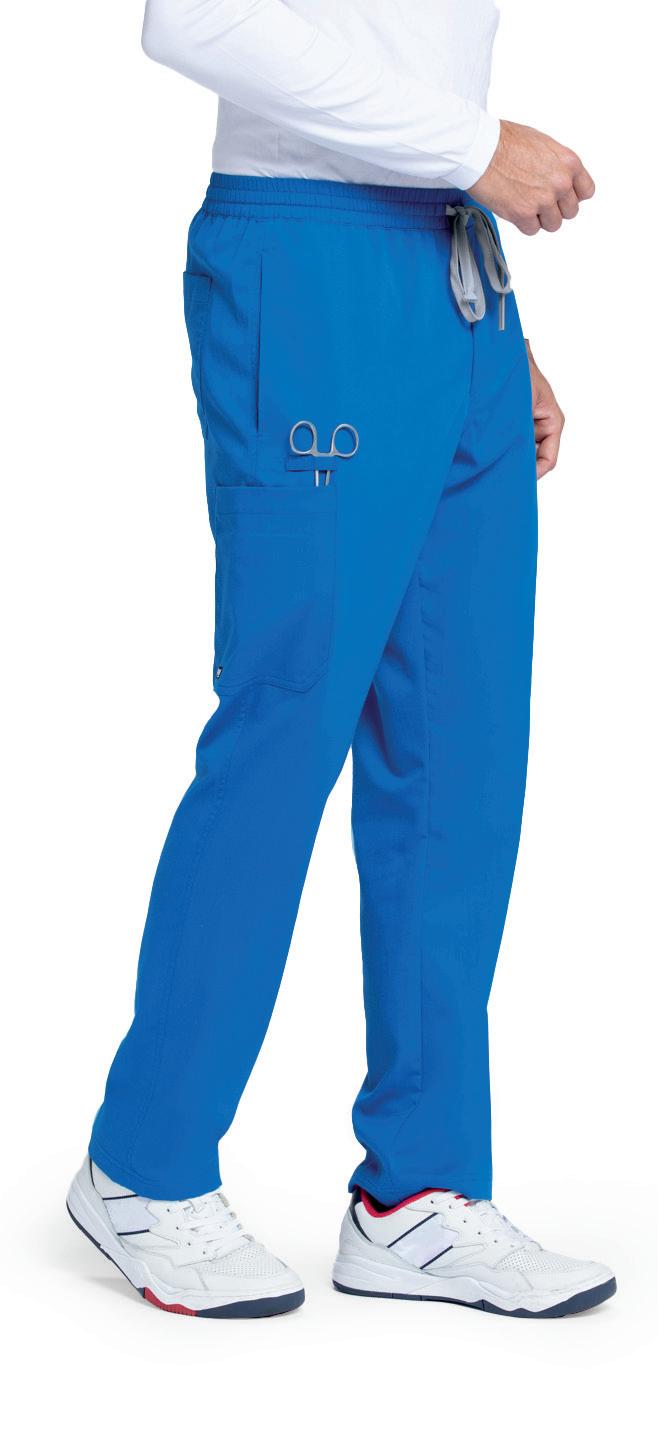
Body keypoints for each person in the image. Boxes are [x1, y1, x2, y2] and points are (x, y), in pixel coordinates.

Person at [67, 0, 616, 1319]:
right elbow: (194, 21)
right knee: (285, 728)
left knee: (460, 760)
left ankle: (416, 1194)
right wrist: (477, 148)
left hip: (455, 273)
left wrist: (493, 325)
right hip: (312, 268)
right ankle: (143, 1165)